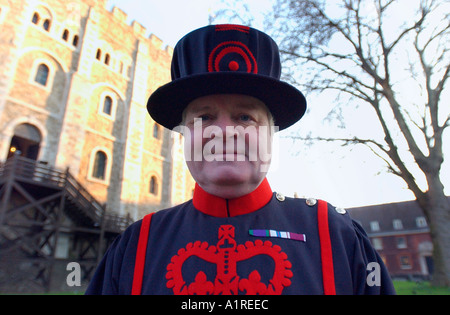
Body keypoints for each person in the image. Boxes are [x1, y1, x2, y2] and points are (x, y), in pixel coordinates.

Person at [86, 24, 395, 295]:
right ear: (183, 136)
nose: (224, 132)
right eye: (204, 117)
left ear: (271, 135)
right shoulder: (136, 247)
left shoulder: (337, 237)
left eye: (245, 117)